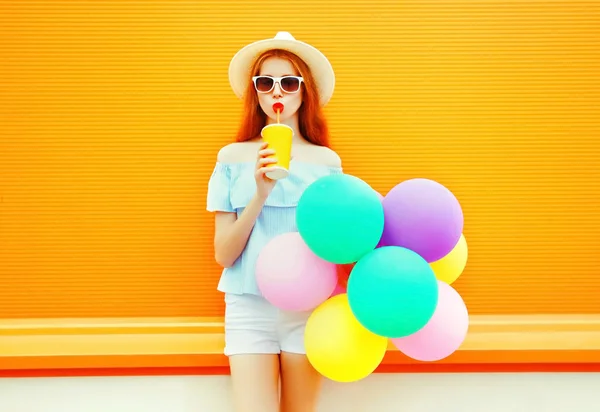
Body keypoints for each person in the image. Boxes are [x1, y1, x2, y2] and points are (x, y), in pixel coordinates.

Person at [206, 31, 342, 412]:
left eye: (289, 82)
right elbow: (223, 254)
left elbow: (337, 242)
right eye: (266, 82)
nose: (277, 92)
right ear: (256, 92)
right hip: (248, 307)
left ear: (304, 91)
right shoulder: (232, 158)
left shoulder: (326, 164)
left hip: (307, 307)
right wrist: (260, 192)